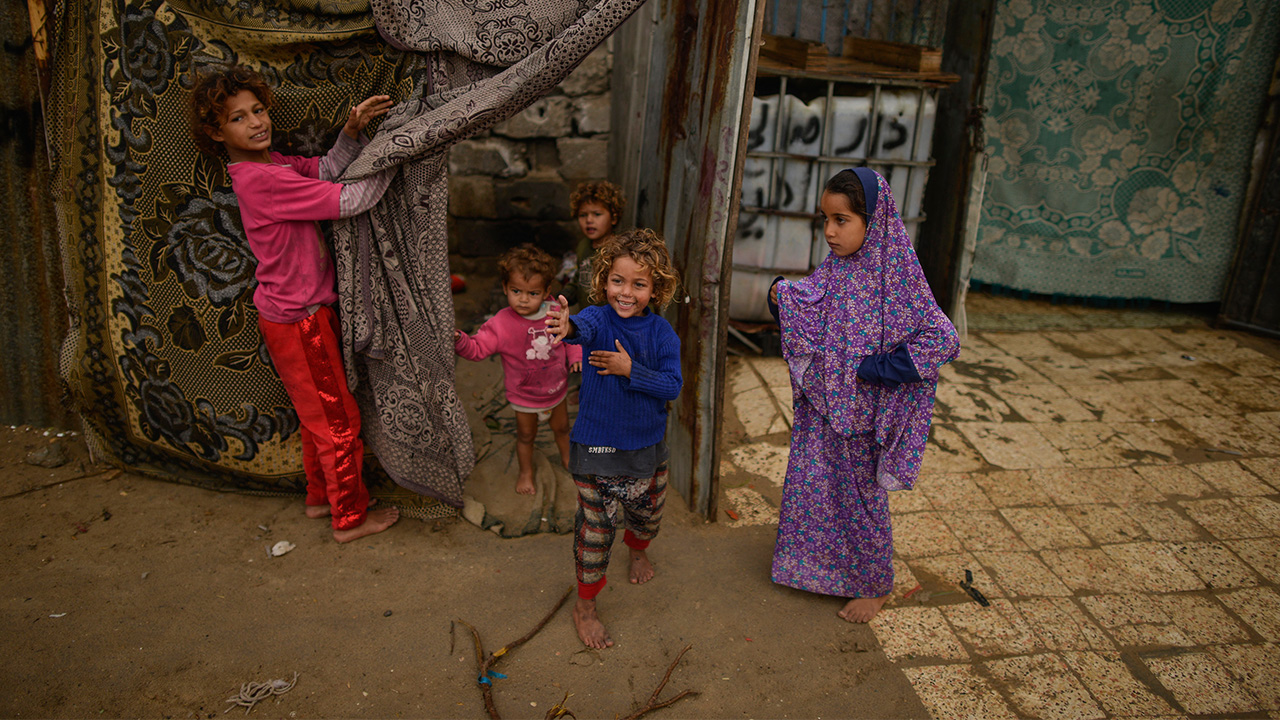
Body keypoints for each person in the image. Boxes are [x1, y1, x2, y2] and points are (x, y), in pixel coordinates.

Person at [189, 65, 401, 542]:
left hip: (293, 315)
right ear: (215, 132)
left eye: (258, 110)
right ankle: (350, 518)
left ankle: (319, 498)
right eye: (239, 118)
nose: (256, 122)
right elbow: (348, 200)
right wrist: (398, 157)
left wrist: (350, 133)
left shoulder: (275, 166)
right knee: (338, 422)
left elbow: (326, 170)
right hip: (299, 321)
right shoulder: (261, 181)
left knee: (315, 417)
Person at [768, 167, 959, 623]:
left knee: (861, 500)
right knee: (815, 486)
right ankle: (819, 568)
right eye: (826, 220)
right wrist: (781, 296)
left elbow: (943, 338)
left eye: (842, 220)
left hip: (863, 418)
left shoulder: (896, 276)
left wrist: (880, 369)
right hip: (826, 408)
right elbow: (813, 299)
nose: (830, 232)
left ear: (874, 221)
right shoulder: (838, 265)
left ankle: (874, 583)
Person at [545, 229, 682, 649]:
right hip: (596, 451)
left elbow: (672, 385)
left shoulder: (662, 335)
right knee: (595, 532)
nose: (626, 292)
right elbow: (577, 329)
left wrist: (629, 370)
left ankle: (638, 549)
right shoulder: (597, 318)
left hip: (646, 450)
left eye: (638, 284)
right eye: (617, 281)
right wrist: (566, 324)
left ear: (655, 289)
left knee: (648, 515)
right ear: (604, 281)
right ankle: (585, 607)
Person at [454, 244, 583, 495]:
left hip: (556, 391)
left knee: (562, 429)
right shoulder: (500, 324)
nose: (523, 299)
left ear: (547, 291)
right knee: (525, 436)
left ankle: (569, 459)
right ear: (505, 288)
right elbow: (477, 349)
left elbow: (570, 336)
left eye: (532, 293)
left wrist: (576, 356)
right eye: (516, 291)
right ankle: (526, 472)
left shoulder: (555, 311)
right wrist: (460, 340)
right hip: (524, 396)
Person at [559, 181, 626, 307]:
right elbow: (579, 278)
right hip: (586, 320)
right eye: (583, 215)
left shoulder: (620, 252)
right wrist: (563, 297)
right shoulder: (583, 246)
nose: (589, 220)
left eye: (597, 214)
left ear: (613, 218)